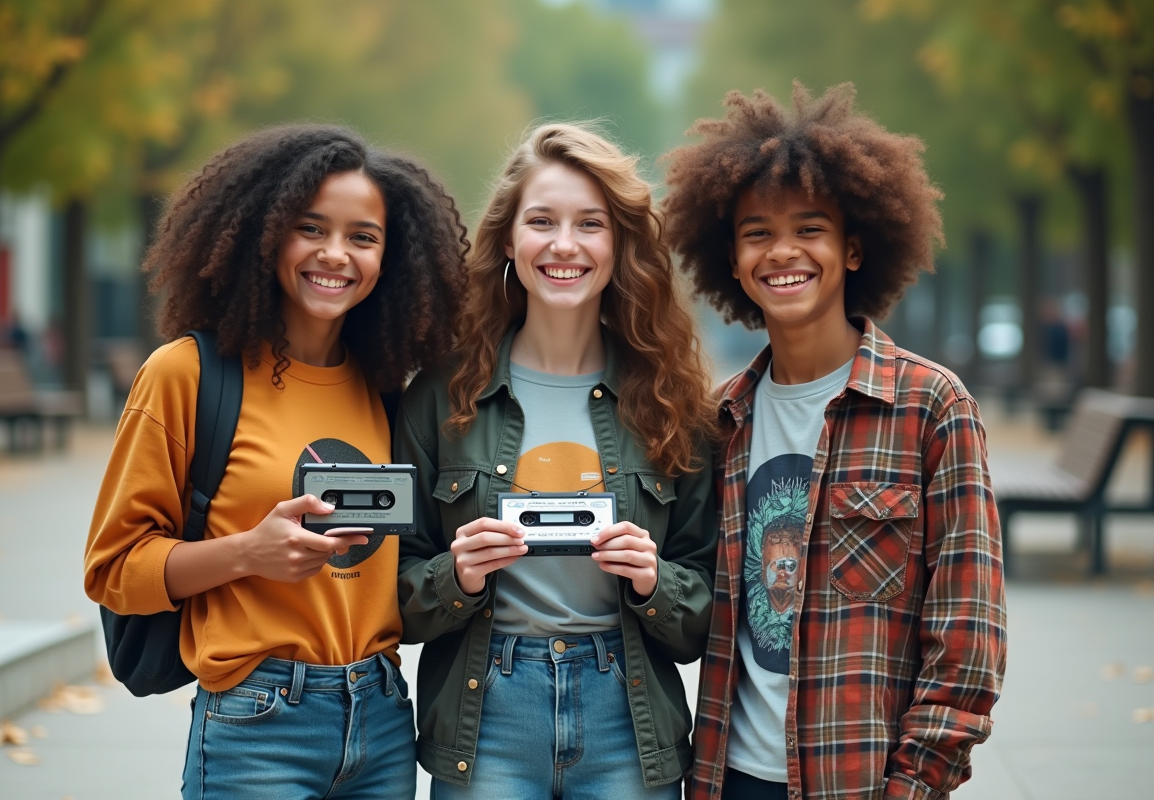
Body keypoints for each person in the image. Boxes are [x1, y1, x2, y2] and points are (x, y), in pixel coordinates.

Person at [84, 123, 467, 800]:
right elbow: (114, 570)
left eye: (362, 237)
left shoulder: (386, 392)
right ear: (263, 234)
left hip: (381, 717)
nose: (335, 254)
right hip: (256, 724)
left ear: (391, 257)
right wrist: (247, 554)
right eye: (310, 228)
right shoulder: (188, 377)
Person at [660, 85, 1007, 800]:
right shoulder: (719, 422)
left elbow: (967, 641)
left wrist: (912, 786)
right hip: (726, 778)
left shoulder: (931, 408)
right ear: (730, 259)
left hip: (859, 783)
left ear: (852, 248)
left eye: (809, 229)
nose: (782, 251)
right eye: (757, 232)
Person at [396, 123, 718, 799]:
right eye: (541, 221)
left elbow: (706, 615)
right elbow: (391, 598)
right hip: (486, 715)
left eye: (590, 224)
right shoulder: (439, 394)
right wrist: (455, 574)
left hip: (625, 714)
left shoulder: (672, 400)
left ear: (620, 244)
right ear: (509, 240)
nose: (564, 245)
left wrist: (655, 580)